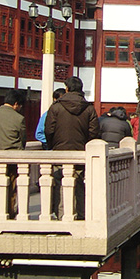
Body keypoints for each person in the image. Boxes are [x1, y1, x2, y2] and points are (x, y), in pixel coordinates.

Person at [45, 76, 99, 219]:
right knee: (79, 181)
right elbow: (93, 132)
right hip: (80, 151)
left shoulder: (56, 107)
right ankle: (81, 213)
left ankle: (62, 213)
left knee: (60, 181)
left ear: (67, 89)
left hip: (60, 150)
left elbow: (49, 130)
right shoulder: (89, 109)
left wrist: (53, 145)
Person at [0, 89, 27, 218]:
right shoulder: (19, 118)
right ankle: (10, 213)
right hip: (12, 158)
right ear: (16, 104)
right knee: (11, 189)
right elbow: (22, 139)